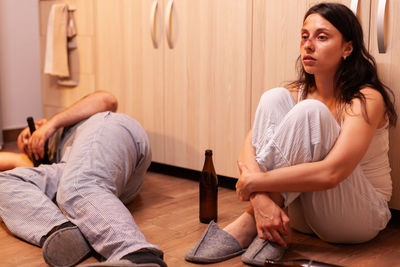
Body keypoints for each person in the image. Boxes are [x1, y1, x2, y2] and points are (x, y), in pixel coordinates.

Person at [185, 3, 397, 266]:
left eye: (322, 37)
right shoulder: (295, 91)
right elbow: (248, 145)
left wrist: (253, 184)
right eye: (304, 36)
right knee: (272, 97)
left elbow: (332, 173)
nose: (308, 45)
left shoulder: (366, 98)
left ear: (347, 48)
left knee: (312, 112)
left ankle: (249, 223)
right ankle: (267, 220)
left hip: (356, 217)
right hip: (301, 215)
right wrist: (261, 196)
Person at [0, 91, 167, 267]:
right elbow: (15, 162)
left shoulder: (70, 121)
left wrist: (50, 124)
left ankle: (138, 255)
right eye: (24, 142)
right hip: (78, 170)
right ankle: (64, 232)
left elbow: (106, 100)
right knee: (5, 183)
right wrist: (24, 155)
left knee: (77, 185)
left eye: (29, 134)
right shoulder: (51, 160)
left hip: (107, 132)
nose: (28, 141)